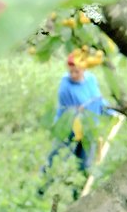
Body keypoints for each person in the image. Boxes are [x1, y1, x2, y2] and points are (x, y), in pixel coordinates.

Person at [38, 54, 114, 194]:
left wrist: (111, 112)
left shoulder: (91, 80)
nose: (73, 74)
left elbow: (97, 99)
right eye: (70, 71)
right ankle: (40, 188)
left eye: (76, 71)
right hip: (69, 129)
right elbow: (70, 111)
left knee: (85, 164)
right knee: (57, 158)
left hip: (89, 129)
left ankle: (78, 194)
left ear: (83, 69)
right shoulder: (65, 86)